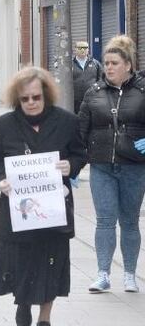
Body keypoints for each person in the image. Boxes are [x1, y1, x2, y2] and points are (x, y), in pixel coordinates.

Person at [0, 66, 87, 326]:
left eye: (36, 97)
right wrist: (0, 179)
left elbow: (80, 153)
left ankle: (44, 318)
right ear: (17, 99)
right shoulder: (6, 124)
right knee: (21, 265)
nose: (31, 103)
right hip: (19, 213)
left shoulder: (66, 122)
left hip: (53, 212)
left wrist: (71, 166)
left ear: (46, 95)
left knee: (50, 267)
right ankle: (22, 305)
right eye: (25, 99)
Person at [78, 35, 145, 294]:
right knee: (105, 220)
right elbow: (80, 131)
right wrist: (72, 166)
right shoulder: (93, 92)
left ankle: (129, 274)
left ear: (128, 64)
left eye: (114, 62)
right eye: (105, 62)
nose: (108, 67)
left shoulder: (142, 91)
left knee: (129, 221)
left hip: (134, 167)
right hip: (102, 166)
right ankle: (103, 274)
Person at [72, 40, 102, 114]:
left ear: (88, 49)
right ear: (75, 50)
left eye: (85, 48)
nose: (82, 50)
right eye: (80, 48)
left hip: (92, 99)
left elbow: (101, 80)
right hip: (75, 101)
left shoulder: (96, 63)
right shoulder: (69, 64)